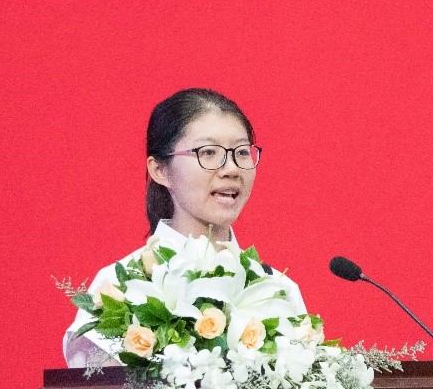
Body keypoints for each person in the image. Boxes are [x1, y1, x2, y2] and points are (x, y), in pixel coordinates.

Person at [63, 89, 306, 367]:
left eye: (241, 152)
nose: (231, 169)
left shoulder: (277, 288)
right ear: (160, 170)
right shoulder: (120, 287)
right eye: (208, 152)